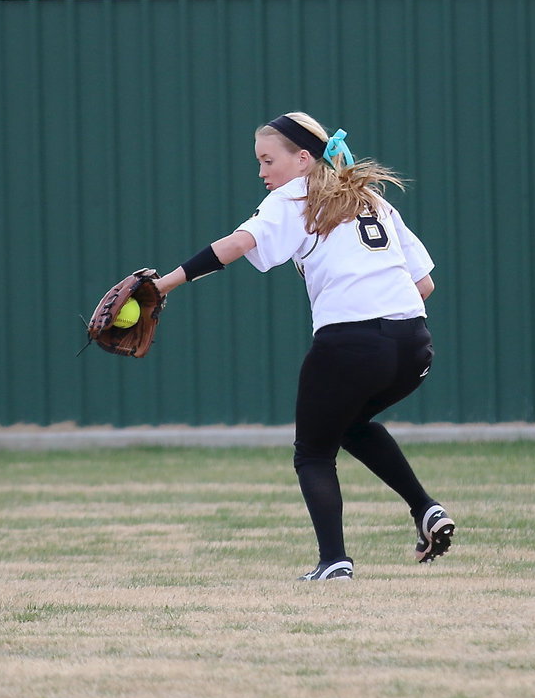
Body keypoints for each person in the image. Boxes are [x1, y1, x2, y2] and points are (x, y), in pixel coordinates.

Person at [154, 112, 454, 580]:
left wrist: (162, 286)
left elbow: (235, 245)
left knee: (313, 451)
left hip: (350, 342)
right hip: (412, 343)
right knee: (351, 424)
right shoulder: (371, 198)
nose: (262, 172)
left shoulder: (294, 195)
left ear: (303, 158)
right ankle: (425, 509)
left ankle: (334, 561)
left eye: (268, 159)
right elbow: (425, 284)